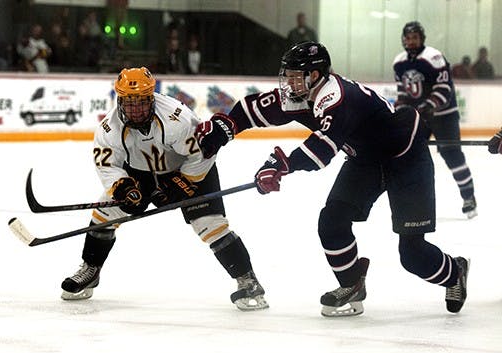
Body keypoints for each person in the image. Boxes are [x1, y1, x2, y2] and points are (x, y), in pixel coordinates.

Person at [194, 42, 469, 317]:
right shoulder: (300, 93)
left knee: (412, 254)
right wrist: (226, 128)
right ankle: (351, 285)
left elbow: (322, 150)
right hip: (366, 161)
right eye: (287, 74)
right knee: (332, 221)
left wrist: (283, 164)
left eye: (294, 75)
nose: (288, 82)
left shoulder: (336, 96)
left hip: (406, 159)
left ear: (314, 75)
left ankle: (455, 272)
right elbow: (253, 108)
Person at [60, 67, 268, 311]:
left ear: (151, 98)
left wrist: (183, 182)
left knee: (210, 226)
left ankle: (248, 281)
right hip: (141, 172)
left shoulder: (177, 119)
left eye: (141, 103)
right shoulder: (109, 128)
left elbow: (202, 153)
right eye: (129, 103)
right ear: (119, 100)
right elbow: (107, 165)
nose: (135, 110)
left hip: (190, 169)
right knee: (106, 214)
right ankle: (91, 269)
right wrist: (123, 187)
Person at [393, 21, 477, 218]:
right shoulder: (399, 62)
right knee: (411, 156)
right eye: (408, 38)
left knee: (452, 156)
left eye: (415, 37)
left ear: (422, 38)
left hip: (444, 115)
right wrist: (400, 109)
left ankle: (468, 196)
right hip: (420, 116)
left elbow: (444, 88)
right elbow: (403, 92)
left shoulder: (434, 57)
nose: (411, 41)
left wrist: (428, 105)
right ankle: (413, 201)